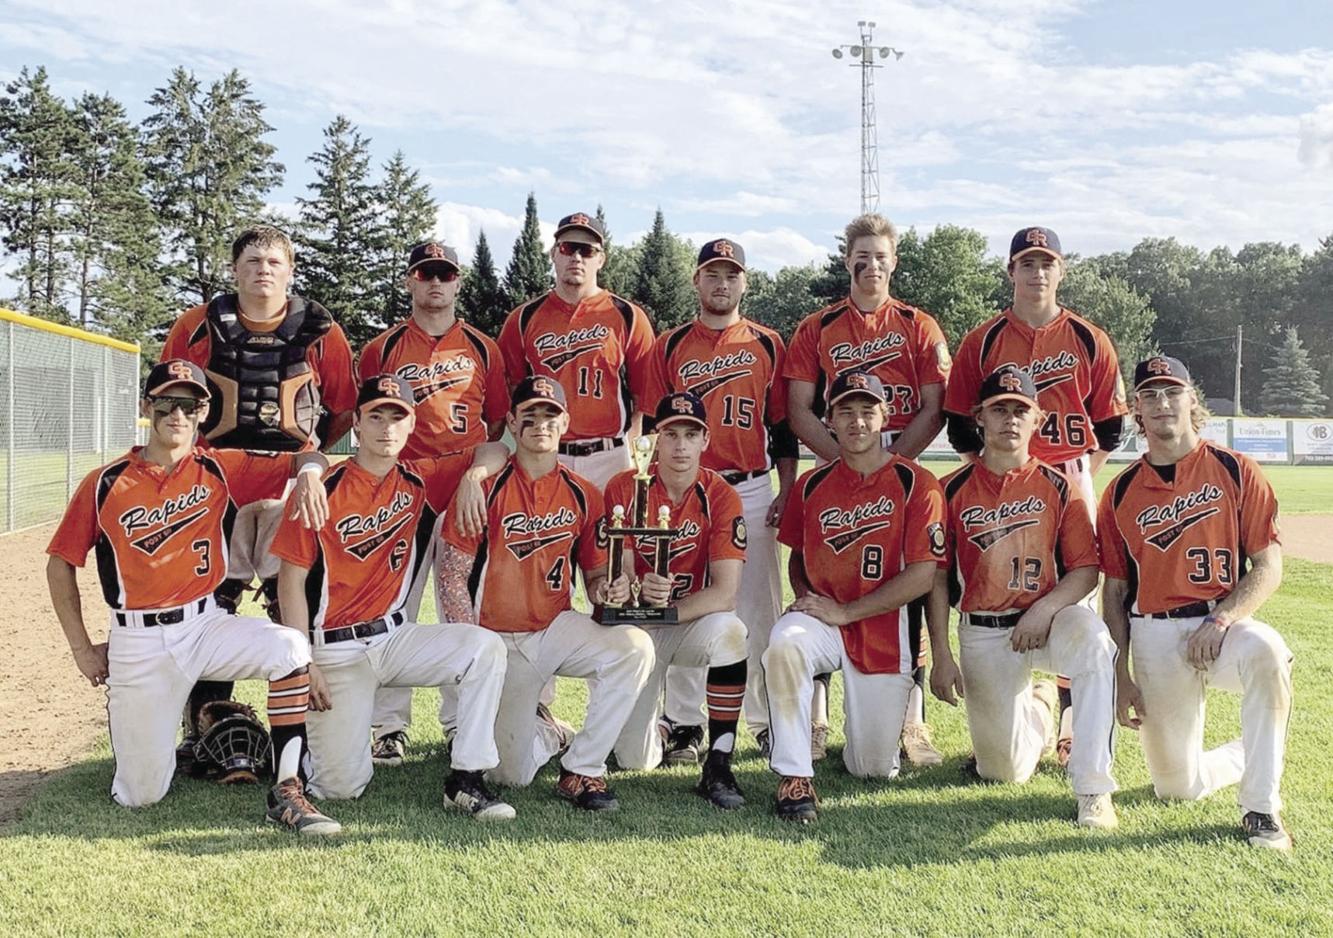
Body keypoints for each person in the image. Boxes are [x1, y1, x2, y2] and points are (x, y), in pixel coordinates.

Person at [46, 359, 339, 834]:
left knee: (289, 648)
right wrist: (82, 648)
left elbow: (305, 456)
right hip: (138, 640)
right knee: (140, 795)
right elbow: (61, 562)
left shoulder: (220, 469)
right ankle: (173, 742)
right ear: (147, 407)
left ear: (204, 412)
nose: (177, 415)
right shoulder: (105, 482)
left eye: (190, 404)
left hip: (205, 625)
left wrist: (308, 473)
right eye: (166, 402)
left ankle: (287, 788)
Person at [272, 374, 514, 818]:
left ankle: (466, 778)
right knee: (341, 789)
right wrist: (303, 663)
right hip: (335, 648)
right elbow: (290, 582)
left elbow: (497, 448)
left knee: (484, 648)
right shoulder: (322, 488)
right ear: (357, 426)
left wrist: (473, 476)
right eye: (376, 416)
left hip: (395, 640)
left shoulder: (422, 480)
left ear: (411, 426)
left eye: (397, 417)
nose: (386, 428)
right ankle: (303, 743)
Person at [160, 225, 357, 761]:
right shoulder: (198, 325)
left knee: (292, 598)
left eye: (273, 261)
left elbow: (340, 407)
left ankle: (302, 722)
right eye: (252, 261)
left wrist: (306, 456)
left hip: (289, 481)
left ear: (290, 271)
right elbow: (169, 397)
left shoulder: (319, 330)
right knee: (210, 601)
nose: (263, 270)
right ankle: (205, 722)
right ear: (235, 269)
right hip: (213, 479)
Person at [943, 226, 1128, 760]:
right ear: (1011, 272)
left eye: (1046, 262)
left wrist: (1075, 476)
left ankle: (1070, 723)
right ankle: (1031, 688)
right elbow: (959, 423)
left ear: (1061, 271)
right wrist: (992, 475)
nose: (1037, 271)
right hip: (993, 472)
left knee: (1076, 599)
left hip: (1069, 470)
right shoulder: (982, 340)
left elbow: (1110, 427)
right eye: (1027, 263)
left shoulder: (1089, 337)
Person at [1099, 356, 1293, 850]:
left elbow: (1268, 567)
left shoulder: (1235, 470)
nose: (1162, 402)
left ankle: (1261, 808)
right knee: (1176, 788)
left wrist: (1224, 618)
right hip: (1155, 631)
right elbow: (1116, 592)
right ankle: (1248, 752)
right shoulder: (1120, 492)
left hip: (1220, 624)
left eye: (1172, 391)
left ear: (1191, 400)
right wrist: (1122, 676)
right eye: (1149, 395)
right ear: (1137, 411)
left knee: (1268, 653)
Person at [437, 376, 654, 810]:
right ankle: (549, 730)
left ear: (565, 423)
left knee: (635, 648)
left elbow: (594, 578)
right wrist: (474, 646)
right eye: (530, 416)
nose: (541, 424)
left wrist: (607, 590)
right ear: (513, 424)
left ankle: (583, 767)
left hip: (555, 627)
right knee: (509, 775)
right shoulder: (484, 488)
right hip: (499, 640)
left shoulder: (583, 493)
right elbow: (451, 578)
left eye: (550, 415)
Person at [784, 213, 950, 766]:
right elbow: (798, 410)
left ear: (894, 261)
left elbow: (935, 405)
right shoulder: (818, 327)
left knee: (906, 581)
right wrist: (848, 461)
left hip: (898, 463)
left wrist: (889, 464)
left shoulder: (919, 324)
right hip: (840, 463)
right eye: (861, 255)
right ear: (847, 260)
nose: (870, 264)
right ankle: (817, 716)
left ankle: (913, 718)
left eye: (880, 255)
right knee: (829, 568)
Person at [928, 365, 1118, 828]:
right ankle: (1040, 703)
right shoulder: (949, 489)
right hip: (985, 630)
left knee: (1096, 643)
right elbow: (934, 577)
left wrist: (1046, 609)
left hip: (1050, 621)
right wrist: (940, 653)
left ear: (1037, 421)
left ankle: (1093, 787)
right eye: (999, 410)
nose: (1009, 419)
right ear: (979, 418)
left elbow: (1086, 570)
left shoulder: (1060, 485)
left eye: (1020, 411)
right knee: (1005, 773)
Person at [641, 238, 797, 764]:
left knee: (755, 606)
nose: (721, 282)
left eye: (731, 274)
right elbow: (651, 426)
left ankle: (763, 720)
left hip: (750, 485)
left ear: (744, 282)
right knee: (682, 596)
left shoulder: (768, 343)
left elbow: (781, 425)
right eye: (712, 273)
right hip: (683, 486)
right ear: (696, 281)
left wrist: (789, 485)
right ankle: (684, 721)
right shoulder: (669, 345)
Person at [766, 371, 946, 822]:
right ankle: (794, 774)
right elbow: (797, 558)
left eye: (868, 411)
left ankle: (880, 734)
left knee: (871, 769)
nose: (858, 422)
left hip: (884, 630)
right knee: (785, 642)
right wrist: (808, 598)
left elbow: (924, 575)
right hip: (826, 620)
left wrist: (848, 611)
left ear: (886, 417)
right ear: (829, 420)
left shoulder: (916, 483)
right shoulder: (811, 484)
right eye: (845, 411)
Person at [357, 240, 509, 766]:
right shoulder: (382, 348)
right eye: (425, 273)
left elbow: (499, 423)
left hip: (464, 485)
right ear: (410, 281)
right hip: (403, 490)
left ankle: (458, 721)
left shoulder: (484, 348)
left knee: (460, 608)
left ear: (458, 282)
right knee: (389, 604)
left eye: (445, 273)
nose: (435, 282)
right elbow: (370, 420)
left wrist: (475, 474)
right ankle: (388, 726)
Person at [608, 392, 749, 808]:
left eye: (691, 434)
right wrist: (632, 591)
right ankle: (662, 731)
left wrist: (667, 611)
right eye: (671, 434)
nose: (681, 445)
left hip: (688, 621)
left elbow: (725, 591)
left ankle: (719, 762)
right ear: (653, 439)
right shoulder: (625, 485)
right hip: (635, 632)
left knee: (732, 632)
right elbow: (622, 568)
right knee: (635, 760)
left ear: (706, 440)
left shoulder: (721, 494)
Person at [497, 212, 656, 490]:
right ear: (554, 254)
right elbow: (511, 390)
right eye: (568, 248)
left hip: (609, 455)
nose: (577, 258)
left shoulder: (628, 316)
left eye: (587, 250)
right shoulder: (522, 319)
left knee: (612, 534)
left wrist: (633, 456)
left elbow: (644, 397)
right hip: (545, 452)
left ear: (601, 259)